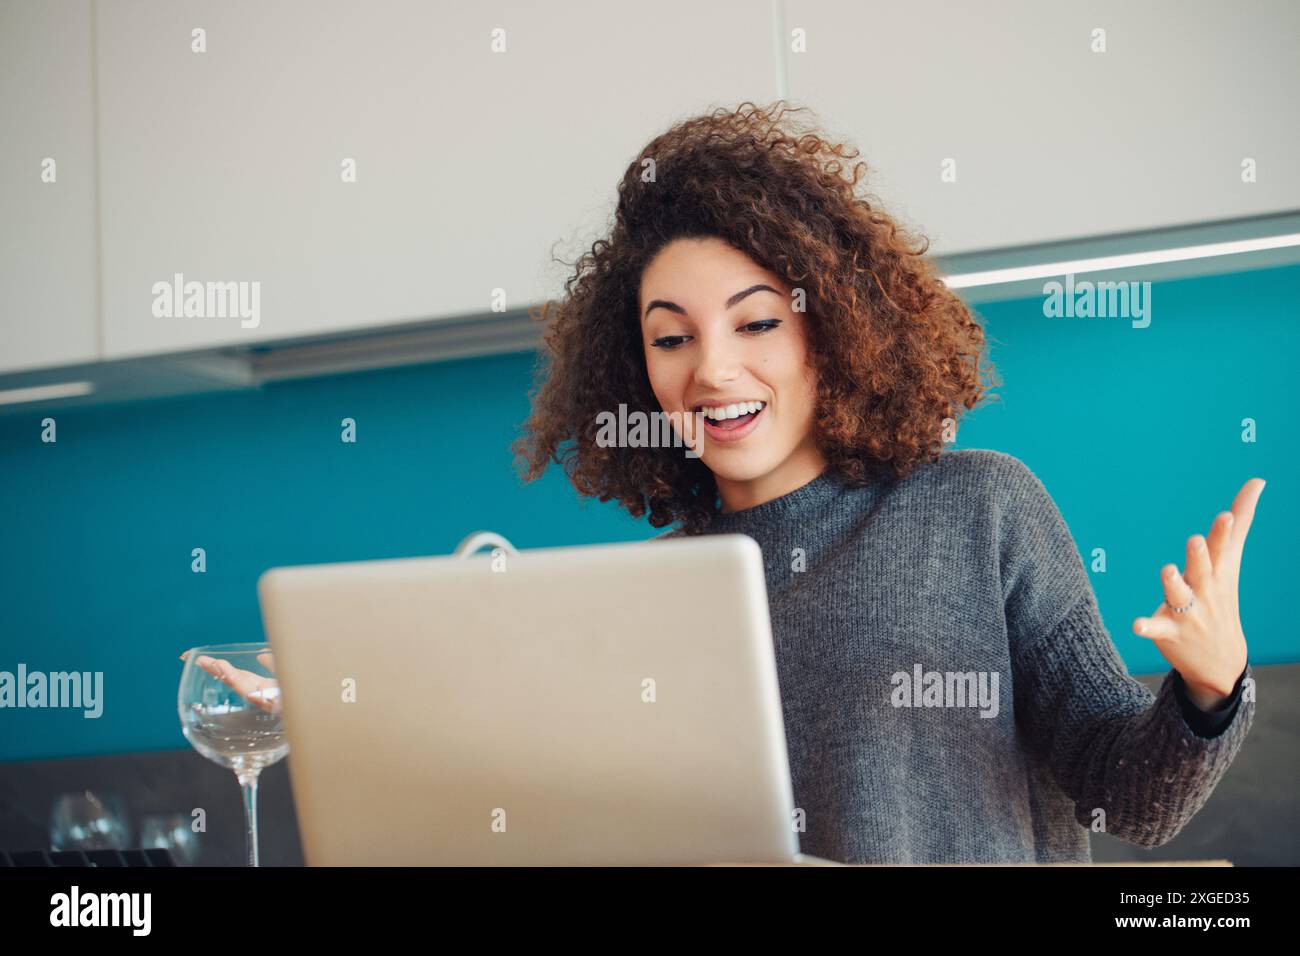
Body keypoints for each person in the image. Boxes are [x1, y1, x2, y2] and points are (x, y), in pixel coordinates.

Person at [512, 100, 1263, 864]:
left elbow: (1126, 797)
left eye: (758, 323)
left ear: (832, 330)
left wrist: (1210, 690)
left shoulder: (980, 509)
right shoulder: (657, 592)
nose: (711, 369)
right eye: (672, 338)